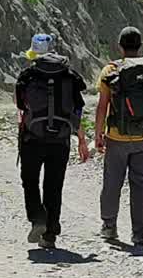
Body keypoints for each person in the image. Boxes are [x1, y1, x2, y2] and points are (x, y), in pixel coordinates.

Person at [95, 26, 143, 246]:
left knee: (112, 182)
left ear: (120, 46)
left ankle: (109, 227)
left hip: (117, 136)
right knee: (141, 184)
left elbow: (102, 106)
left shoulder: (111, 70)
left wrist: (98, 134)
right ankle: (139, 233)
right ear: (140, 46)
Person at [15, 33, 90, 249]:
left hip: (32, 137)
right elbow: (78, 109)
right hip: (61, 139)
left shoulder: (27, 75)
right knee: (53, 186)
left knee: (29, 181)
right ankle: (49, 235)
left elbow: (21, 105)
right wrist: (81, 139)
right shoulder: (69, 75)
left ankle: (37, 217)